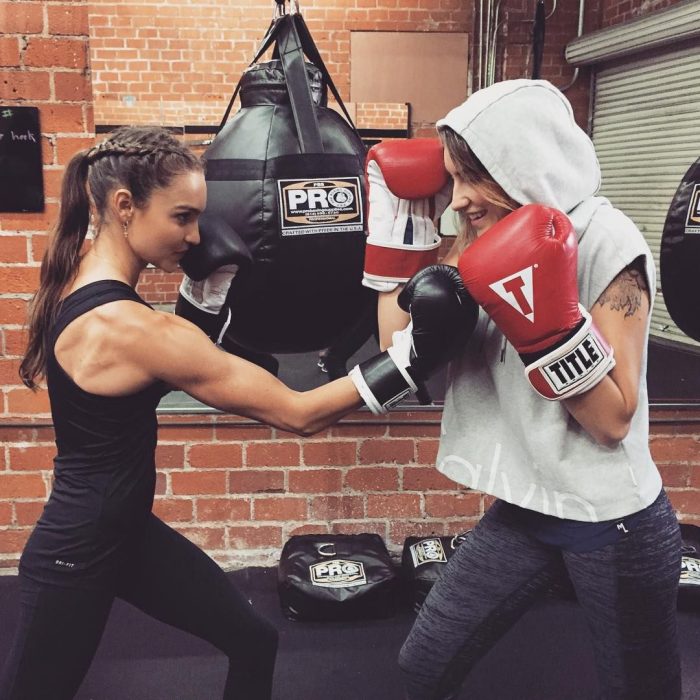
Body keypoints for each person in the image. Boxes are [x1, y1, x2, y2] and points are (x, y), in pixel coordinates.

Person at [2, 126, 474, 700]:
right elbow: (300, 413)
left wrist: (206, 292)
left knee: (254, 641)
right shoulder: (130, 327)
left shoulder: (83, 282)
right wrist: (411, 359)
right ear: (125, 206)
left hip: (127, 535)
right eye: (182, 217)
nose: (196, 234)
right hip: (76, 553)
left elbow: (160, 370)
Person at [364, 80, 682, 699]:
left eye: (468, 179)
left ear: (518, 164)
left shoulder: (606, 241)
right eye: (448, 179)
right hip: (529, 506)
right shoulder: (477, 243)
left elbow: (613, 419)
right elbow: (394, 348)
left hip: (610, 519)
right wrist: (397, 235)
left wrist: (545, 331)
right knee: (424, 662)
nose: (455, 200)